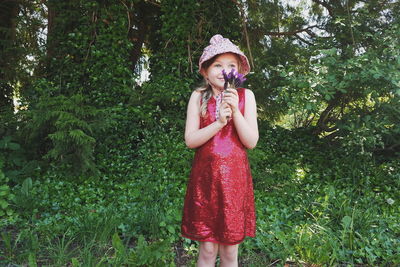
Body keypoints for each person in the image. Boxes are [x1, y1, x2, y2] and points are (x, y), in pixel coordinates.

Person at [181, 34, 259, 267]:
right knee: (206, 249)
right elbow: (190, 140)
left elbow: (251, 141)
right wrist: (218, 123)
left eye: (231, 65)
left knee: (229, 251)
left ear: (238, 72)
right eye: (217, 64)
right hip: (206, 180)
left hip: (234, 182)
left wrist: (235, 111)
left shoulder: (246, 96)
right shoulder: (198, 97)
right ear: (205, 70)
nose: (224, 70)